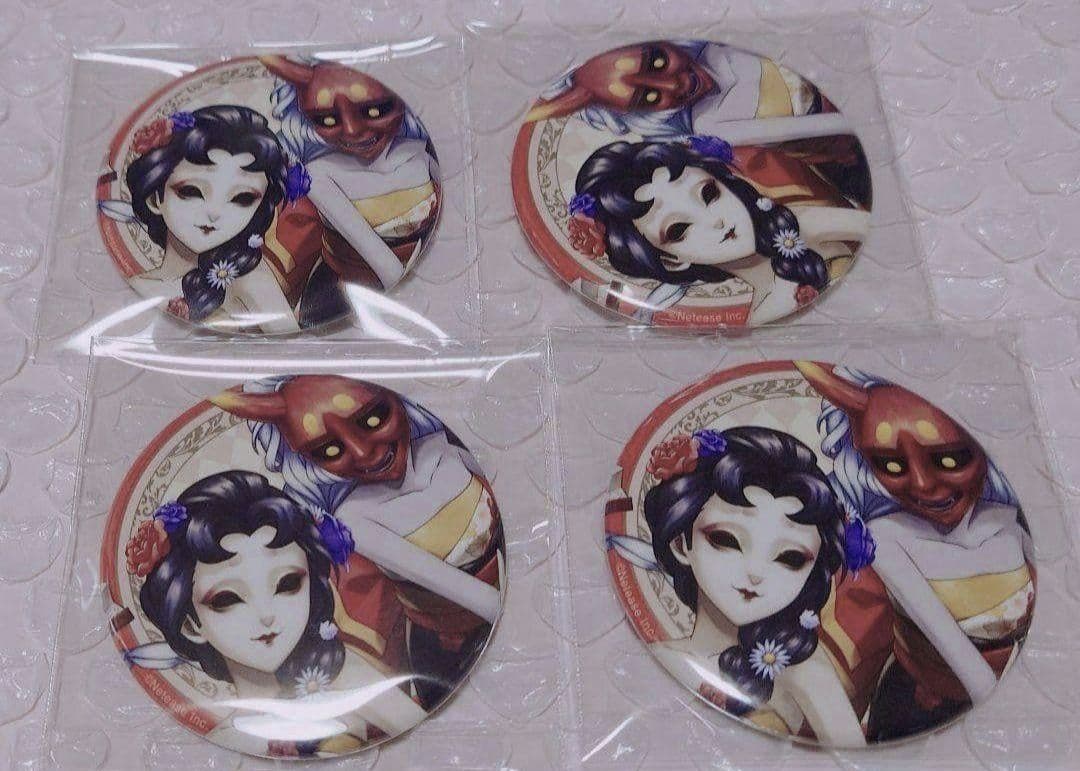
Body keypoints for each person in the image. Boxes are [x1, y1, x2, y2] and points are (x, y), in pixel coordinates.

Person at [210, 375, 502, 708]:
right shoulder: (355, 517)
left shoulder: (442, 447)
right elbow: (463, 591)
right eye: (329, 450)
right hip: (455, 647)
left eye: (373, 419)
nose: (364, 453)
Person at [796, 361, 1036, 742]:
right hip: (922, 712)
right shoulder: (886, 537)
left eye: (950, 459)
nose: (923, 485)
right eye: (891, 465)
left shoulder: (1010, 520)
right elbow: (965, 664)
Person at [122, 471, 427, 757]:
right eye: (228, 599)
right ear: (191, 625)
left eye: (287, 584)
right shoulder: (220, 740)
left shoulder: (346, 675)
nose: (266, 615)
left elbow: (426, 739)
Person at [634, 426, 867, 745]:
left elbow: (854, 757)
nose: (756, 573)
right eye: (727, 540)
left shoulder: (800, 669)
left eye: (790, 558)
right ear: (680, 544)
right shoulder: (655, 655)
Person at [568, 138, 869, 323]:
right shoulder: (760, 315)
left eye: (710, 194)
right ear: (672, 260)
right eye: (679, 230)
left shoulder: (806, 224)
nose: (715, 222)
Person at [109, 105, 301, 333]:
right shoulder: (133, 286)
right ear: (155, 199)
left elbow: (293, 347)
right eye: (191, 191)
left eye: (242, 198)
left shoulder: (249, 279)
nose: (214, 212)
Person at [262, 55, 441, 293]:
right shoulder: (318, 174)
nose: (352, 130)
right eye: (327, 119)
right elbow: (387, 268)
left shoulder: (419, 151)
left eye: (375, 111)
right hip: (353, 290)